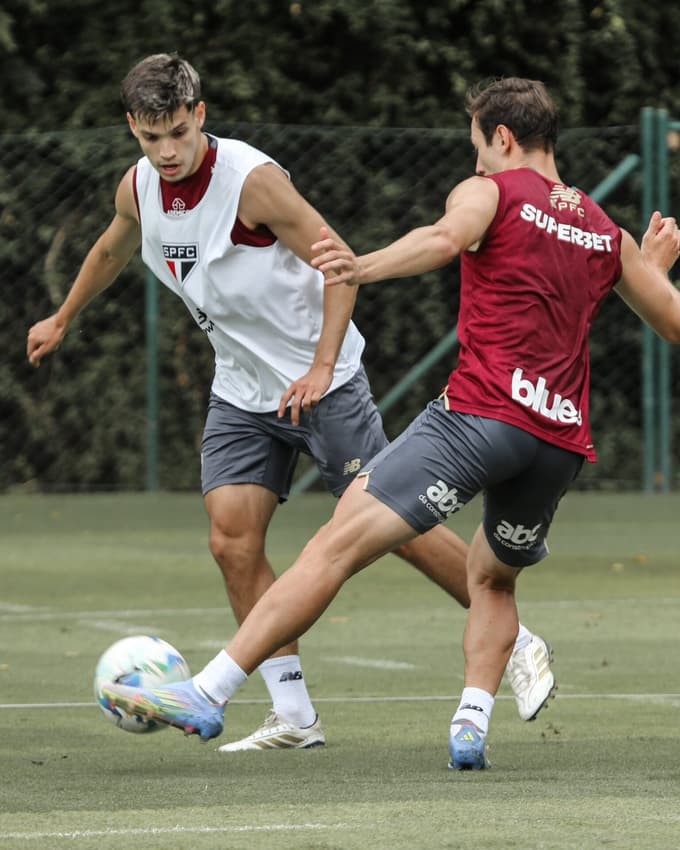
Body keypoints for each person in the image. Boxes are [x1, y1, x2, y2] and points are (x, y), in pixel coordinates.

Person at [28, 58, 556, 752]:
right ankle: (294, 717)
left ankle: (513, 636)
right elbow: (110, 247)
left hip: (324, 382)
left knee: (399, 525)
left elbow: (337, 265)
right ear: (133, 127)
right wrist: (63, 316)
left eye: (179, 133)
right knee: (231, 539)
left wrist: (319, 366)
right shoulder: (139, 188)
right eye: (151, 137)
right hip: (241, 389)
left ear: (201, 116)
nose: (167, 151)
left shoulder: (252, 183)